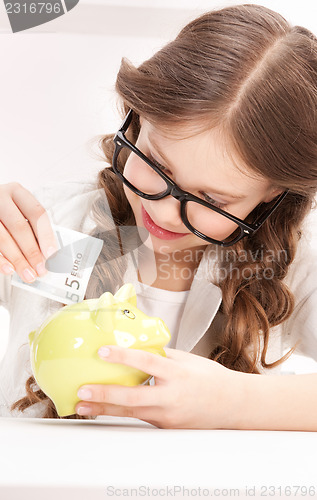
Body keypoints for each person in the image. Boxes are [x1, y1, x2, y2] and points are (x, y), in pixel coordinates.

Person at [1, 3, 317, 429]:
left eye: (212, 200)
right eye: (157, 166)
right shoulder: (55, 223)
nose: (165, 212)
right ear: (137, 118)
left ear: (273, 192)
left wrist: (235, 400)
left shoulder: (296, 262)